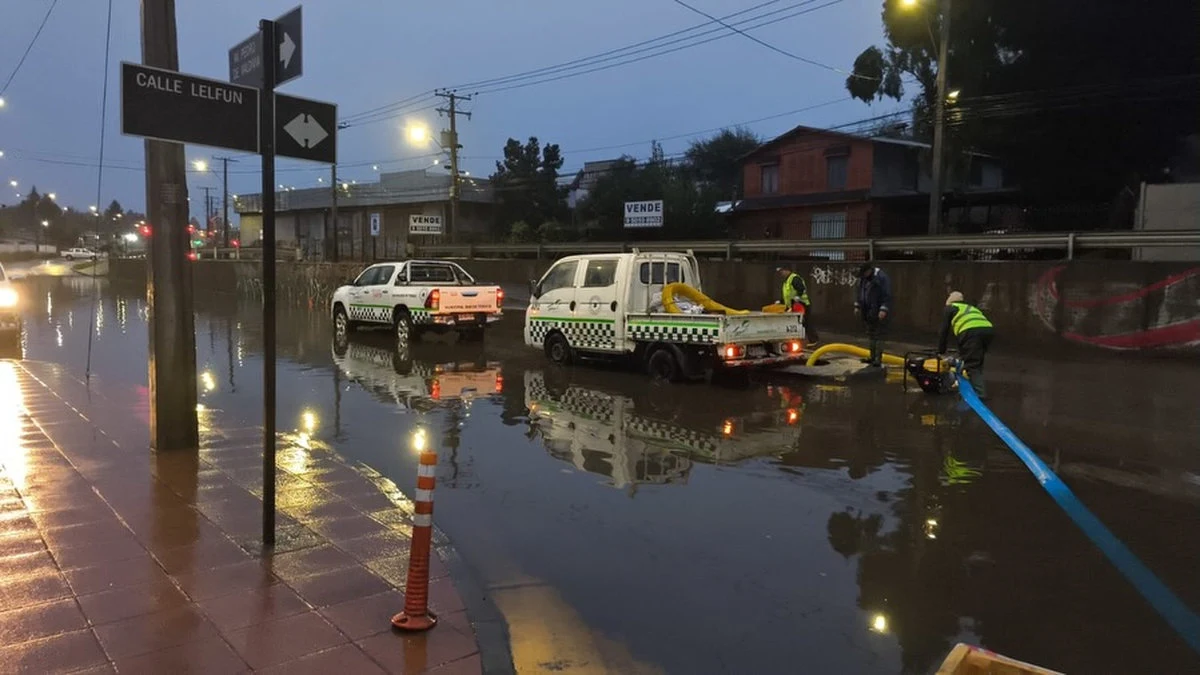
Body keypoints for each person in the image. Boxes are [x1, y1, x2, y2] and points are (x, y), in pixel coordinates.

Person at [937, 291, 995, 398]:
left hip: (971, 332)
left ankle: (980, 394)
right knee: (977, 362)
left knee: (972, 365)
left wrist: (941, 350)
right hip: (988, 331)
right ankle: (976, 385)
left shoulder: (950, 308)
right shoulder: (969, 308)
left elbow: (944, 331)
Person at [854, 262, 892, 367]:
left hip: (878, 310)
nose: (863, 276)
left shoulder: (881, 278)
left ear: (869, 270)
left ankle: (877, 359)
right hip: (868, 310)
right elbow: (860, 292)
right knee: (871, 334)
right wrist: (858, 305)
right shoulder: (864, 278)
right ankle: (872, 357)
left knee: (878, 335)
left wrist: (883, 309)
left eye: (864, 273)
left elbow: (887, 295)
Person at [776, 266, 819, 344]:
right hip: (793, 305)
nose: (781, 273)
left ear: (787, 270)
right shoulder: (786, 281)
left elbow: (801, 288)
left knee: (806, 322)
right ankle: (796, 339)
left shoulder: (794, 278)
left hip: (802, 305)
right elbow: (787, 295)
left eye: (782, 271)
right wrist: (781, 301)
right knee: (796, 323)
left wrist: (798, 296)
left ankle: (814, 340)